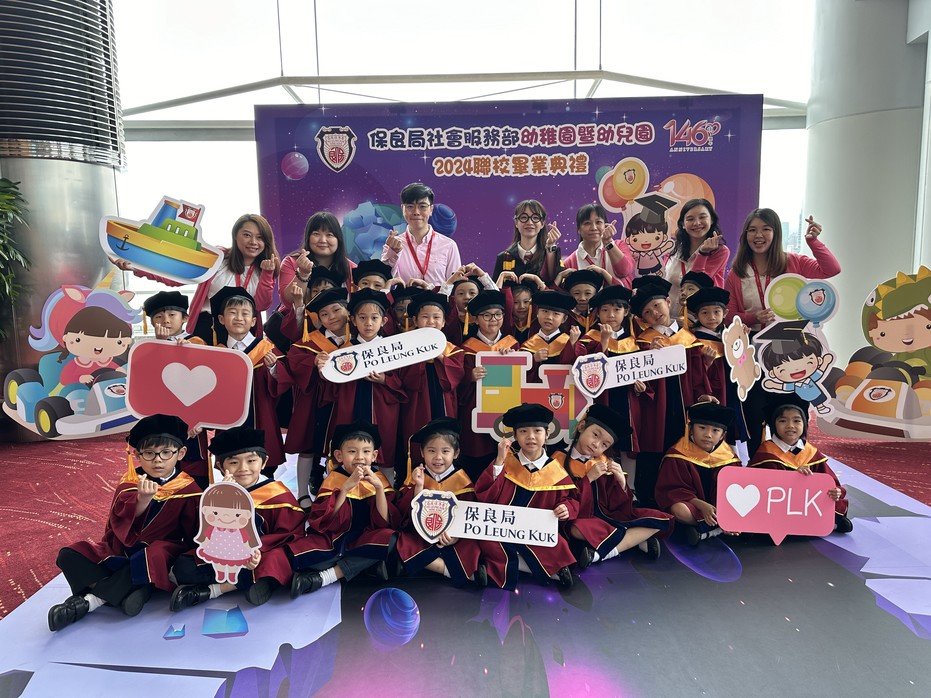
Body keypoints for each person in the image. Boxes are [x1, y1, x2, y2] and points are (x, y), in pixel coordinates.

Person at [49, 415, 201, 631]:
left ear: (181, 453)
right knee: (69, 554)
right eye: (149, 453)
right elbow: (118, 524)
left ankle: (89, 602)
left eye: (167, 452)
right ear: (138, 455)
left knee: (149, 556)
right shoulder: (130, 482)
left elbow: (193, 532)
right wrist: (142, 500)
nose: (158, 460)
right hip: (122, 548)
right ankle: (138, 588)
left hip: (161, 551)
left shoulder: (188, 488)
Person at [169, 427, 307, 610]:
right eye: (234, 462)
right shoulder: (215, 495)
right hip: (227, 552)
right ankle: (256, 582)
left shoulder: (277, 495)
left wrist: (254, 551)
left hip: (261, 553)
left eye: (251, 461)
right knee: (183, 567)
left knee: (277, 559)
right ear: (220, 467)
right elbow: (206, 533)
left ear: (264, 462)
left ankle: (212, 591)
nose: (243, 469)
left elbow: (291, 534)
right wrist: (224, 501)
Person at [474, 403, 578, 590]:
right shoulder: (505, 463)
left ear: (547, 434)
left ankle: (503, 568)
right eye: (523, 431)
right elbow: (485, 496)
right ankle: (550, 572)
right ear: (515, 436)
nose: (530, 436)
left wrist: (566, 508)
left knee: (556, 543)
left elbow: (570, 500)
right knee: (489, 542)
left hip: (536, 530)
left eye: (537, 431)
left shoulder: (556, 471)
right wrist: (499, 460)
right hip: (503, 528)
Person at [290, 422, 400, 596]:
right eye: (352, 451)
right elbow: (326, 522)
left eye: (366, 452)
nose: (360, 457)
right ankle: (367, 565)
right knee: (296, 556)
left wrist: (379, 488)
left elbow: (384, 522)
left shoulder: (377, 478)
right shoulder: (333, 479)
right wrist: (346, 488)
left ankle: (324, 578)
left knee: (391, 538)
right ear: (339, 456)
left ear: (374, 456)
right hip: (336, 540)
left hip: (366, 539)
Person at [556, 405, 673, 566]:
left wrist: (622, 483)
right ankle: (633, 541)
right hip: (584, 519)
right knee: (577, 528)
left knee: (659, 518)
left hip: (609, 518)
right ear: (582, 426)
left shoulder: (603, 463)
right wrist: (588, 478)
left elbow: (619, 508)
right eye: (595, 435)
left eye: (604, 444)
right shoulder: (558, 460)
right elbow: (562, 501)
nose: (596, 445)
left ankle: (601, 553)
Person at [319, 289, 406, 484]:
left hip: (382, 408)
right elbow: (331, 388)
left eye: (374, 318)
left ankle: (386, 492)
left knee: (384, 451)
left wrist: (385, 380)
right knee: (349, 450)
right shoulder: (342, 351)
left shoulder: (392, 349)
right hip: (350, 406)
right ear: (353, 320)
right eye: (362, 317)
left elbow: (403, 384)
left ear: (383, 321)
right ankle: (342, 490)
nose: (368, 323)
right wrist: (324, 370)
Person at [279, 287, 350, 507]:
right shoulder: (311, 342)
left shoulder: (358, 341)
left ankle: (341, 493)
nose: (331, 317)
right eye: (324, 314)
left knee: (344, 445)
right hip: (316, 402)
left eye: (336, 310)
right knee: (309, 444)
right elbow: (294, 360)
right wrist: (313, 362)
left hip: (347, 401)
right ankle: (302, 493)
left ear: (347, 311)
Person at [393, 418, 485, 586]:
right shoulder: (416, 478)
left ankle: (423, 564)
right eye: (431, 451)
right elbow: (403, 516)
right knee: (399, 540)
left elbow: (468, 517)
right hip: (420, 535)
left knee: (472, 545)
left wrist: (455, 536)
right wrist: (418, 487)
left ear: (456, 453)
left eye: (445, 451)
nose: (438, 457)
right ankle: (449, 570)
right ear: (422, 452)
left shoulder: (463, 482)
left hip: (450, 537)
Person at [748, 396, 852, 533]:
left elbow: (831, 482)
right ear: (773, 425)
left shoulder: (810, 452)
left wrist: (836, 491)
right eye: (783, 421)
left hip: (805, 506)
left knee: (830, 502)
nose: (790, 425)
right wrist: (793, 476)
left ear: (805, 424)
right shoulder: (766, 453)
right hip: (777, 507)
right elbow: (759, 487)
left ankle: (823, 522)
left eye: (797, 420)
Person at [209, 287, 286, 473]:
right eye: (232, 313)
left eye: (245, 313)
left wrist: (273, 368)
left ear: (253, 321)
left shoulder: (266, 348)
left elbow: (283, 384)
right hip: (229, 418)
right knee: (229, 464)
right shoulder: (216, 352)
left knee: (265, 470)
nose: (238, 318)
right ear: (221, 319)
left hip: (262, 415)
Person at [631, 277, 712, 452]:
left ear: (668, 302)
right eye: (647, 312)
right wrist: (649, 355)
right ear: (643, 320)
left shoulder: (689, 338)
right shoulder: (643, 343)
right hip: (657, 407)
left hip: (686, 404)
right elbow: (642, 381)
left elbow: (697, 374)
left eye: (657, 305)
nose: (654, 313)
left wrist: (702, 395)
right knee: (658, 445)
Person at [654, 401, 741, 545]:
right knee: (679, 510)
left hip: (720, 508)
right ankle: (717, 528)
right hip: (694, 507)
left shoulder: (729, 458)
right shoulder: (677, 455)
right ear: (691, 428)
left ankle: (710, 528)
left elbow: (734, 492)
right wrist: (701, 505)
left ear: (722, 435)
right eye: (702, 428)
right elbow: (672, 491)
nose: (708, 435)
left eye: (715, 430)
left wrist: (724, 512)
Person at [574, 285, 647, 454]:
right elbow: (586, 370)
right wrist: (604, 342)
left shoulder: (635, 342)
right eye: (605, 310)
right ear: (598, 313)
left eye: (617, 309)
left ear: (626, 311)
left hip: (627, 399)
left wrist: (640, 387)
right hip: (601, 398)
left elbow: (642, 374)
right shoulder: (589, 339)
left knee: (627, 443)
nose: (611, 315)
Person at [397, 292, 465, 469]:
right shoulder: (405, 348)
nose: (431, 321)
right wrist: (421, 356)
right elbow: (406, 380)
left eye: (436, 317)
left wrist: (440, 357)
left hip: (444, 402)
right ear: (415, 320)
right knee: (417, 434)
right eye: (425, 317)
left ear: (444, 322)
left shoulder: (453, 350)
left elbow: (455, 379)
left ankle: (445, 471)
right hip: (417, 403)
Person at [457, 290, 519, 480]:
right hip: (476, 412)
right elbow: (455, 384)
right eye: (487, 315)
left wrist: (515, 361)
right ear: (475, 319)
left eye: (498, 314)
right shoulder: (466, 348)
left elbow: (526, 380)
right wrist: (469, 377)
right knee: (478, 460)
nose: (493, 319)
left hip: (505, 409)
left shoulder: (513, 345)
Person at [381, 182, 462, 286]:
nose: (416, 212)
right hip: (404, 296)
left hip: (437, 297)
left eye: (422, 206)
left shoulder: (448, 245)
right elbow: (383, 280)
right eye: (410, 206)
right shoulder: (393, 245)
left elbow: (456, 286)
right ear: (402, 209)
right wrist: (393, 253)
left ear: (431, 209)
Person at [663, 199, 730, 317]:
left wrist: (703, 253)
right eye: (690, 219)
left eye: (702, 217)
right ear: (683, 224)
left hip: (702, 320)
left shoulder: (720, 251)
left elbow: (697, 282)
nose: (697, 223)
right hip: (671, 318)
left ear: (711, 220)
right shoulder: (674, 249)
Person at [279, 211, 355, 296]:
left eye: (329, 235)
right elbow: (287, 300)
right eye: (316, 234)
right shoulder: (291, 262)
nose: (323, 240)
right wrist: (302, 274)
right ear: (308, 237)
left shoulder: (351, 268)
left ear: (339, 239)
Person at [562, 203, 633, 286]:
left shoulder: (619, 246)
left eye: (598, 222)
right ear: (579, 229)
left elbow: (624, 271)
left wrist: (608, 243)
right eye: (587, 223)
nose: (594, 228)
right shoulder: (570, 262)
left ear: (605, 225)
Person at [492, 200, 561, 284]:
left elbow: (555, 284)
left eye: (535, 218)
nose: (529, 222)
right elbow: (494, 290)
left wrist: (550, 246)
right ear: (516, 223)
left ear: (542, 224)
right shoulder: (504, 257)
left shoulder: (550, 254)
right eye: (524, 217)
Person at [520, 289, 580, 376]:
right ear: (537, 313)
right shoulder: (528, 346)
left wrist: (572, 344)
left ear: (564, 319)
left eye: (556, 314)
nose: (549, 317)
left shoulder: (570, 342)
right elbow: (519, 374)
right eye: (545, 311)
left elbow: (575, 370)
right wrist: (533, 360)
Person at [623, 194, 677, 279]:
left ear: (664, 237)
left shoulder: (665, 254)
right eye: (635, 239)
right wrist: (629, 256)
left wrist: (666, 246)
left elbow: (660, 250)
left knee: (656, 270)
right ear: (628, 240)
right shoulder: (636, 253)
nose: (645, 241)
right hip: (640, 272)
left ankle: (657, 272)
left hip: (656, 269)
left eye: (656, 238)